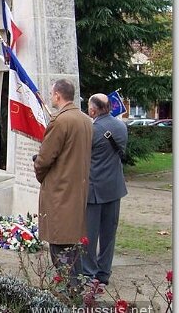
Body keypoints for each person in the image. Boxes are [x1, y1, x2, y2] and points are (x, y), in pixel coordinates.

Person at [33, 79, 92, 288]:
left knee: (59, 244)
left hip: (60, 190)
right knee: (72, 243)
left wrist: (40, 174)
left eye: (52, 93)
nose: (50, 96)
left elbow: (45, 158)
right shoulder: (85, 120)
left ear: (58, 95)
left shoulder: (60, 121)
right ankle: (75, 285)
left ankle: (70, 290)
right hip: (76, 189)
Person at [82, 93, 128, 285]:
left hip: (94, 188)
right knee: (109, 234)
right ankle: (104, 273)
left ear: (93, 110)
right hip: (114, 187)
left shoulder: (92, 130)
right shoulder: (121, 126)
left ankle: (89, 272)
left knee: (90, 235)